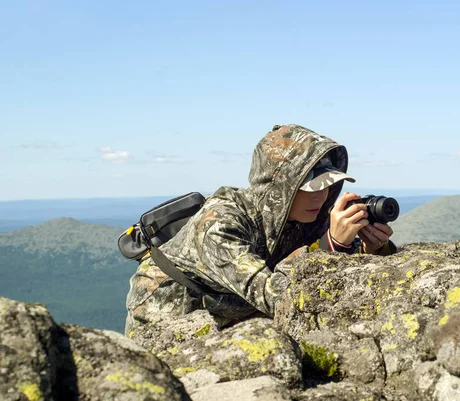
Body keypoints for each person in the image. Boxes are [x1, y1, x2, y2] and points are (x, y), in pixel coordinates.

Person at [125, 124, 397, 334]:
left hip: (231, 309)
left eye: (329, 186)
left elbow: (334, 278)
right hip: (170, 312)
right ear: (281, 188)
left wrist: (373, 249)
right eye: (312, 187)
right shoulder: (219, 224)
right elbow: (276, 297)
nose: (322, 197)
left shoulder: (303, 217)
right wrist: (332, 246)